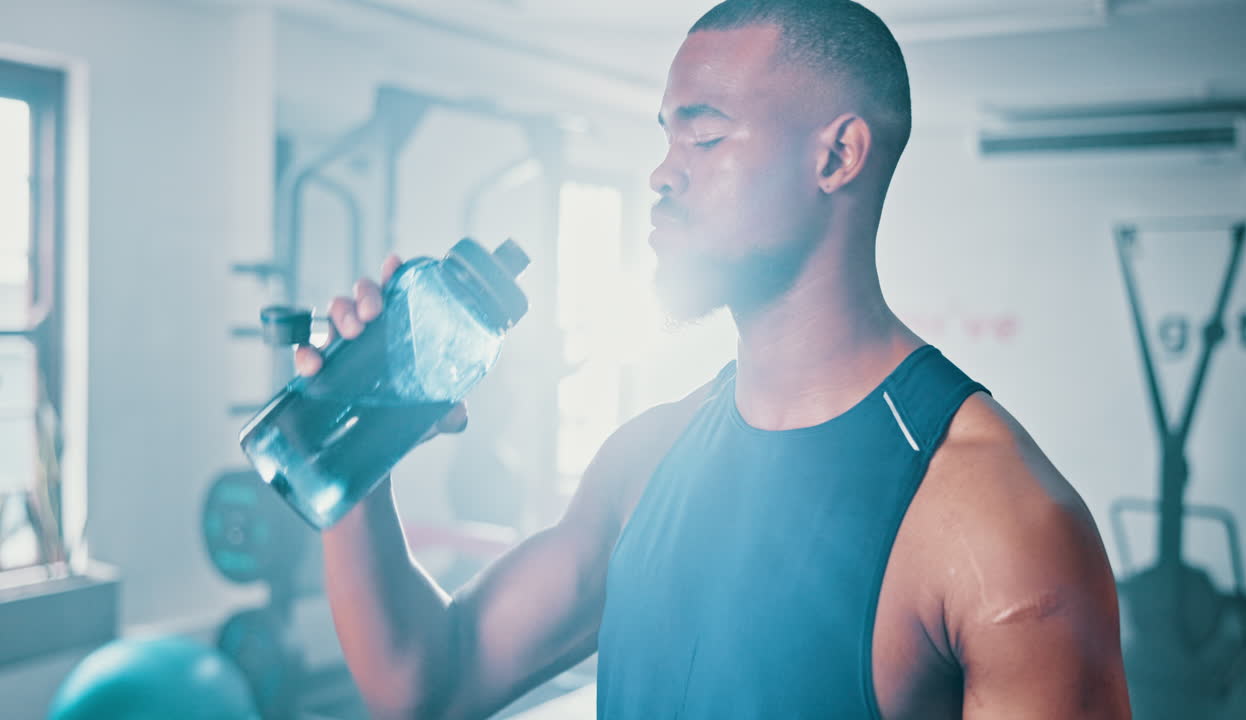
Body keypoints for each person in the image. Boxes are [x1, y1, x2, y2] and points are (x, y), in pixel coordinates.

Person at [296, 1, 1131, 718]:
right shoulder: (647, 457)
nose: (661, 173)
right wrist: (358, 451)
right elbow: (424, 682)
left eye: (706, 137)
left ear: (836, 157)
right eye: (666, 138)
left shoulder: (1002, 524)